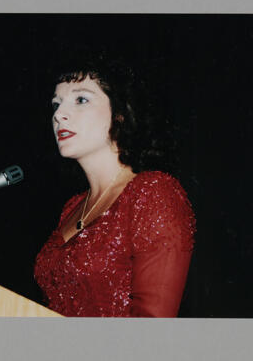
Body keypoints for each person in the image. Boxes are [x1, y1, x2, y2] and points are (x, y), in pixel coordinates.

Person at [34, 54, 196, 317]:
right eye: (56, 104)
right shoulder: (72, 207)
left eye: (81, 100)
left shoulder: (153, 193)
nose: (60, 115)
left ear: (120, 113)